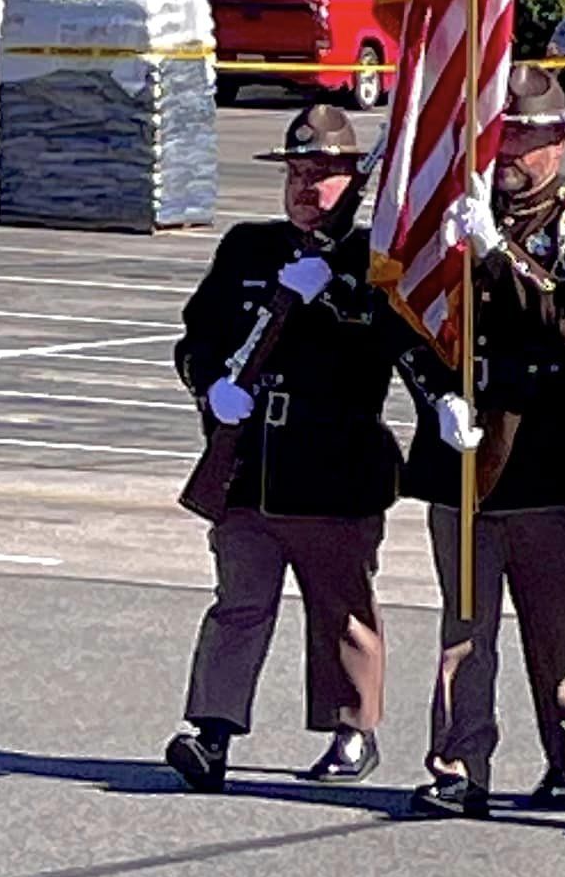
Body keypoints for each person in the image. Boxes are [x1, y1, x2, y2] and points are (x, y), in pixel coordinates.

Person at [396, 63, 565, 818]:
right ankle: (459, 764)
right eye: (503, 138)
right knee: (465, 622)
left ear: (560, 144)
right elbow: (404, 320)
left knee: (551, 615)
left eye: (530, 141)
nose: (514, 157)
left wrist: (498, 253)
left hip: (544, 447)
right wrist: (433, 398)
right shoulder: (450, 213)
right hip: (461, 443)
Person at [166, 103, 401, 793]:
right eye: (297, 173)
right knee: (238, 604)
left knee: (341, 608)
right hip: (246, 467)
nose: (306, 189)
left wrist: (330, 297)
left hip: (331, 468)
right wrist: (211, 389)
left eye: (324, 176)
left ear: (351, 182)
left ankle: (353, 729)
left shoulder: (371, 259)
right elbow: (198, 337)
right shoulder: (246, 247)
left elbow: (384, 344)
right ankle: (211, 732)